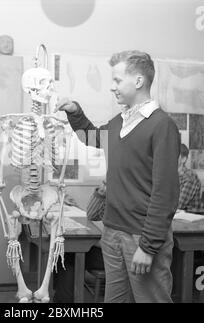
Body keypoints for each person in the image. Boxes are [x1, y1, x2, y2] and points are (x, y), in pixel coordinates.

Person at [56, 50, 180, 303]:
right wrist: (75, 112)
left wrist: (148, 246)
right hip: (112, 231)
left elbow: (165, 193)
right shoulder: (120, 121)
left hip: (141, 236)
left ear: (138, 81)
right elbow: (92, 137)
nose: (112, 87)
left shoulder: (161, 125)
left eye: (117, 80)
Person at [53, 182, 106, 303]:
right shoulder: (109, 191)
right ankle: (60, 296)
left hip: (112, 252)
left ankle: (63, 300)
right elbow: (92, 215)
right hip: (106, 245)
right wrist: (100, 193)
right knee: (66, 250)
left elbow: (102, 236)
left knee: (69, 254)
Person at [178, 144, 202, 212]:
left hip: (190, 219)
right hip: (175, 218)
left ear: (183, 159)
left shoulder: (190, 178)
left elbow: (178, 205)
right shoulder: (169, 176)